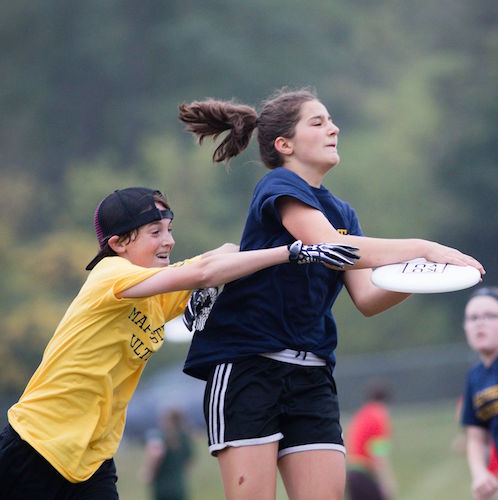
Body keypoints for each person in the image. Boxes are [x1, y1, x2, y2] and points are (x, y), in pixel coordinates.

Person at [178, 87, 485, 500]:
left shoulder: (343, 213)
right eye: (318, 122)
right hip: (249, 369)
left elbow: (367, 298)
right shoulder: (278, 185)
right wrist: (422, 246)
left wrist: (421, 278)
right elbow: (330, 248)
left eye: (332, 120)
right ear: (284, 144)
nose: (333, 128)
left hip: (311, 375)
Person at [0, 186, 357, 500]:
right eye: (155, 232)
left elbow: (222, 255)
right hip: (38, 444)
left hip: (91, 460)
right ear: (118, 244)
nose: (168, 241)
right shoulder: (110, 274)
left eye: (169, 230)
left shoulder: (159, 293)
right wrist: (291, 252)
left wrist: (218, 275)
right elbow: (203, 272)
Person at [461, 287, 498, 500]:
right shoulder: (475, 377)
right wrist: (479, 474)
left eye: (490, 316)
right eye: (473, 318)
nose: (480, 323)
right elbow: (477, 438)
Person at [345, 381, 397, 500]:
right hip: (365, 473)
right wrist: (387, 482)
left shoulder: (361, 414)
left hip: (352, 473)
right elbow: (379, 454)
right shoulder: (379, 416)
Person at [142, 409, 193, 500]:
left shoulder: (160, 438)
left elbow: (155, 456)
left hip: (162, 487)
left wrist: (149, 473)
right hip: (179, 487)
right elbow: (189, 462)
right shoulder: (184, 438)